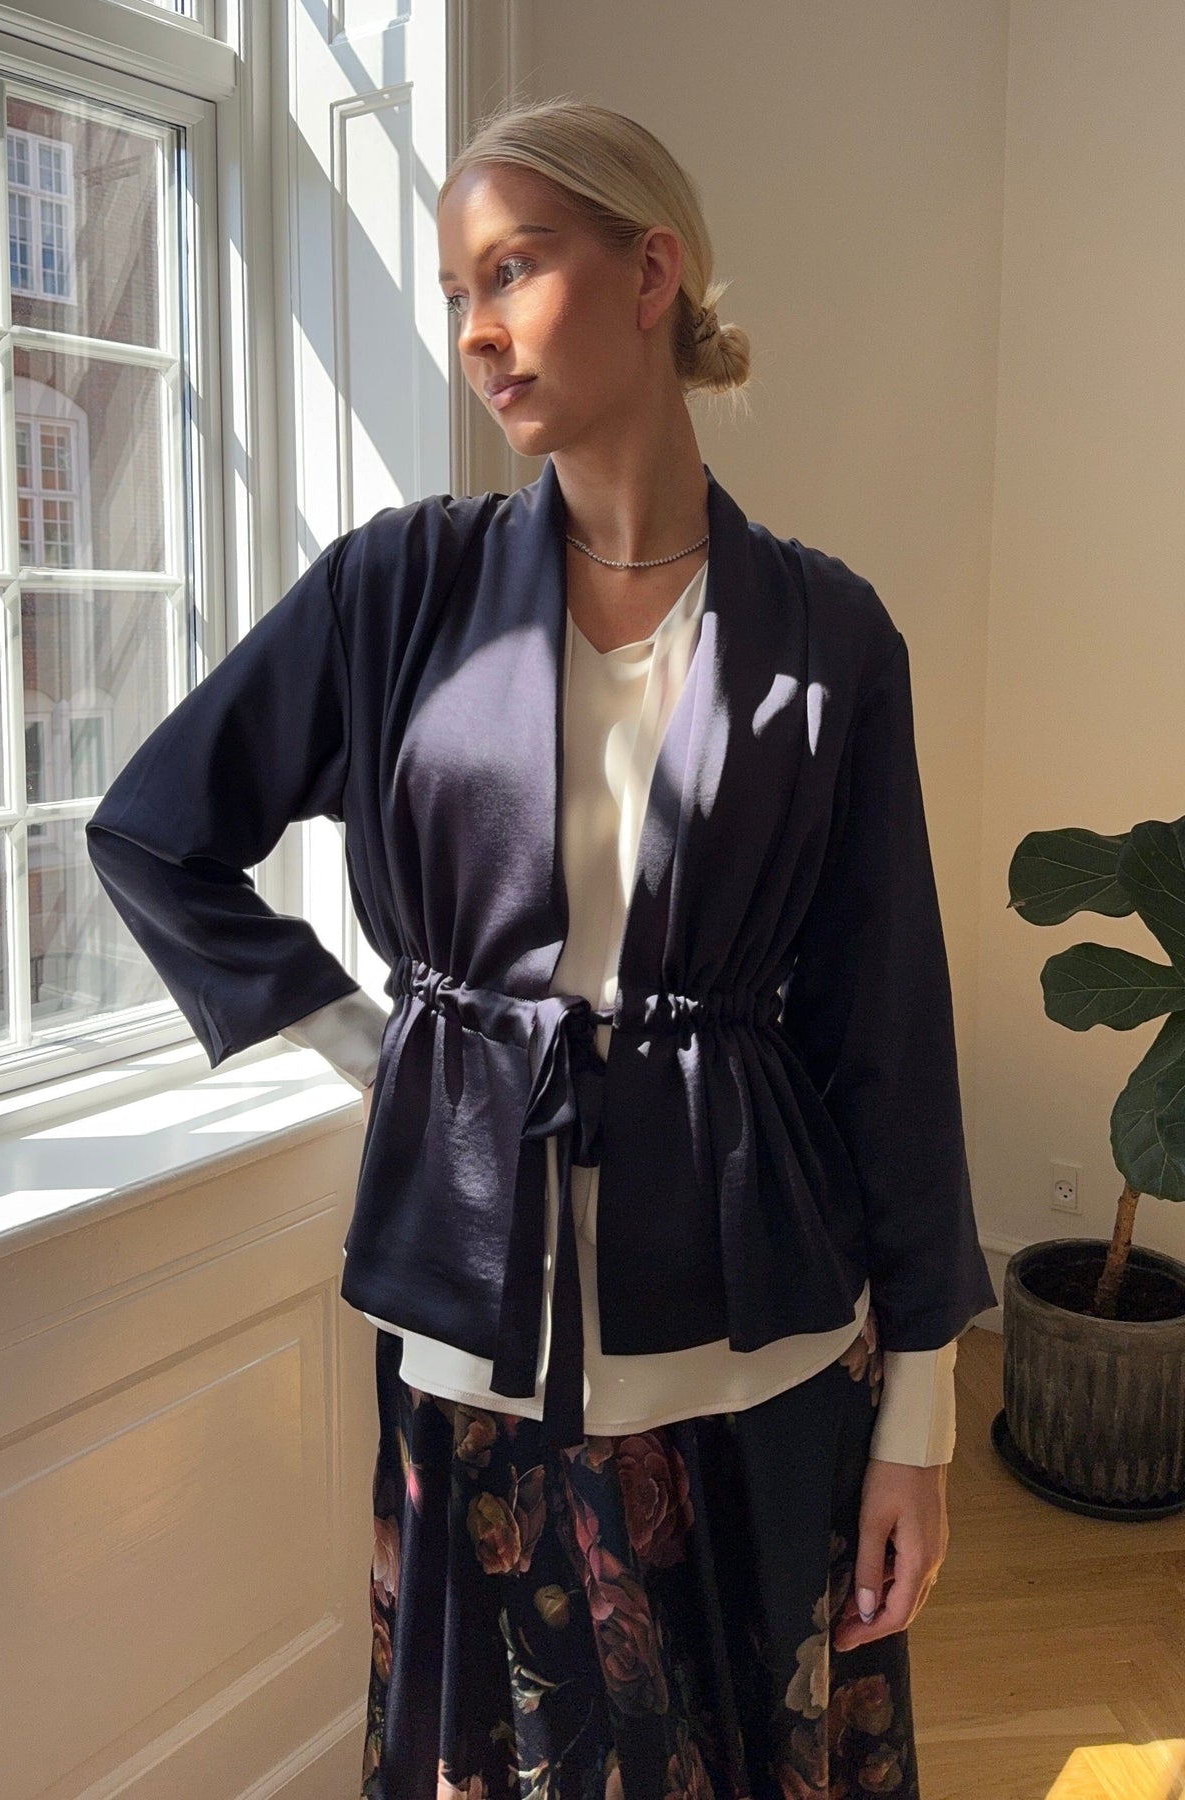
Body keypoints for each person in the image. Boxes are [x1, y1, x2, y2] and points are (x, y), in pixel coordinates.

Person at [87, 96, 996, 1800]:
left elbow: (889, 1027)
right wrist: (371, 1047)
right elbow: (152, 829)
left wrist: (923, 1418)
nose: (476, 330)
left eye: (512, 269)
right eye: (455, 292)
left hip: (762, 1346)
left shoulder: (829, 635)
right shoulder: (398, 591)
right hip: (475, 1349)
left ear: (651, 274)